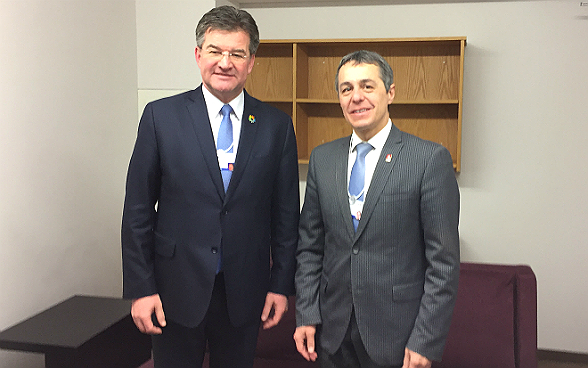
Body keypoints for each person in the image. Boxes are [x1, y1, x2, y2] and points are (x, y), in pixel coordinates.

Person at [121, 6, 299, 368]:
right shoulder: (161, 117)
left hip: (244, 292)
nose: (225, 62)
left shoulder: (276, 126)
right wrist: (141, 288)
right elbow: (138, 209)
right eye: (216, 50)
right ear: (199, 54)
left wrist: (281, 285)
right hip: (174, 290)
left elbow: (285, 218)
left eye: (237, 53)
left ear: (252, 61)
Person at [293, 50, 460, 368]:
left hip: (397, 336)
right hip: (332, 333)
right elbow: (310, 248)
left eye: (367, 86)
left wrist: (425, 340)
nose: (356, 97)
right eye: (346, 89)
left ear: (390, 92)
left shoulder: (427, 160)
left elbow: (444, 265)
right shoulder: (323, 160)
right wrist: (306, 314)